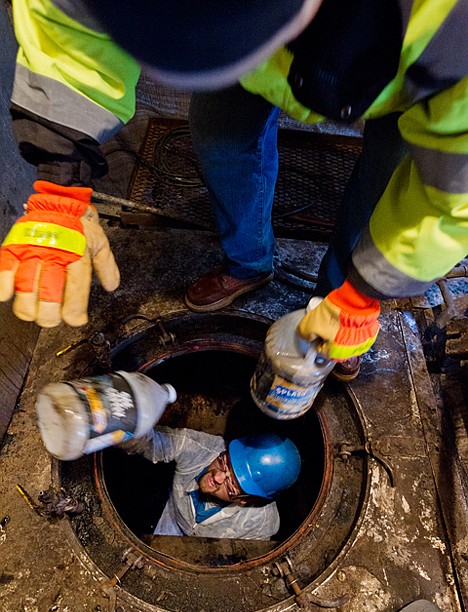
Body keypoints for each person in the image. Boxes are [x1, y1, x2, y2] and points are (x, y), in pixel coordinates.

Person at [1, 1, 467, 380]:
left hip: (401, 72)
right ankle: (248, 263)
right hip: (253, 48)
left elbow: (453, 196)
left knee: (386, 181)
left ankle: (336, 302)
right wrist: (60, 182)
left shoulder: (451, 26)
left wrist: (368, 290)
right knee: (219, 135)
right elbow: (66, 25)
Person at [123, 428, 302, 540]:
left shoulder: (260, 524)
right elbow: (153, 441)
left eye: (231, 485)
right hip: (173, 518)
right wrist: (120, 428)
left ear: (246, 501)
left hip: (208, 552)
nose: (217, 477)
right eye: (224, 462)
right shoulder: (200, 449)